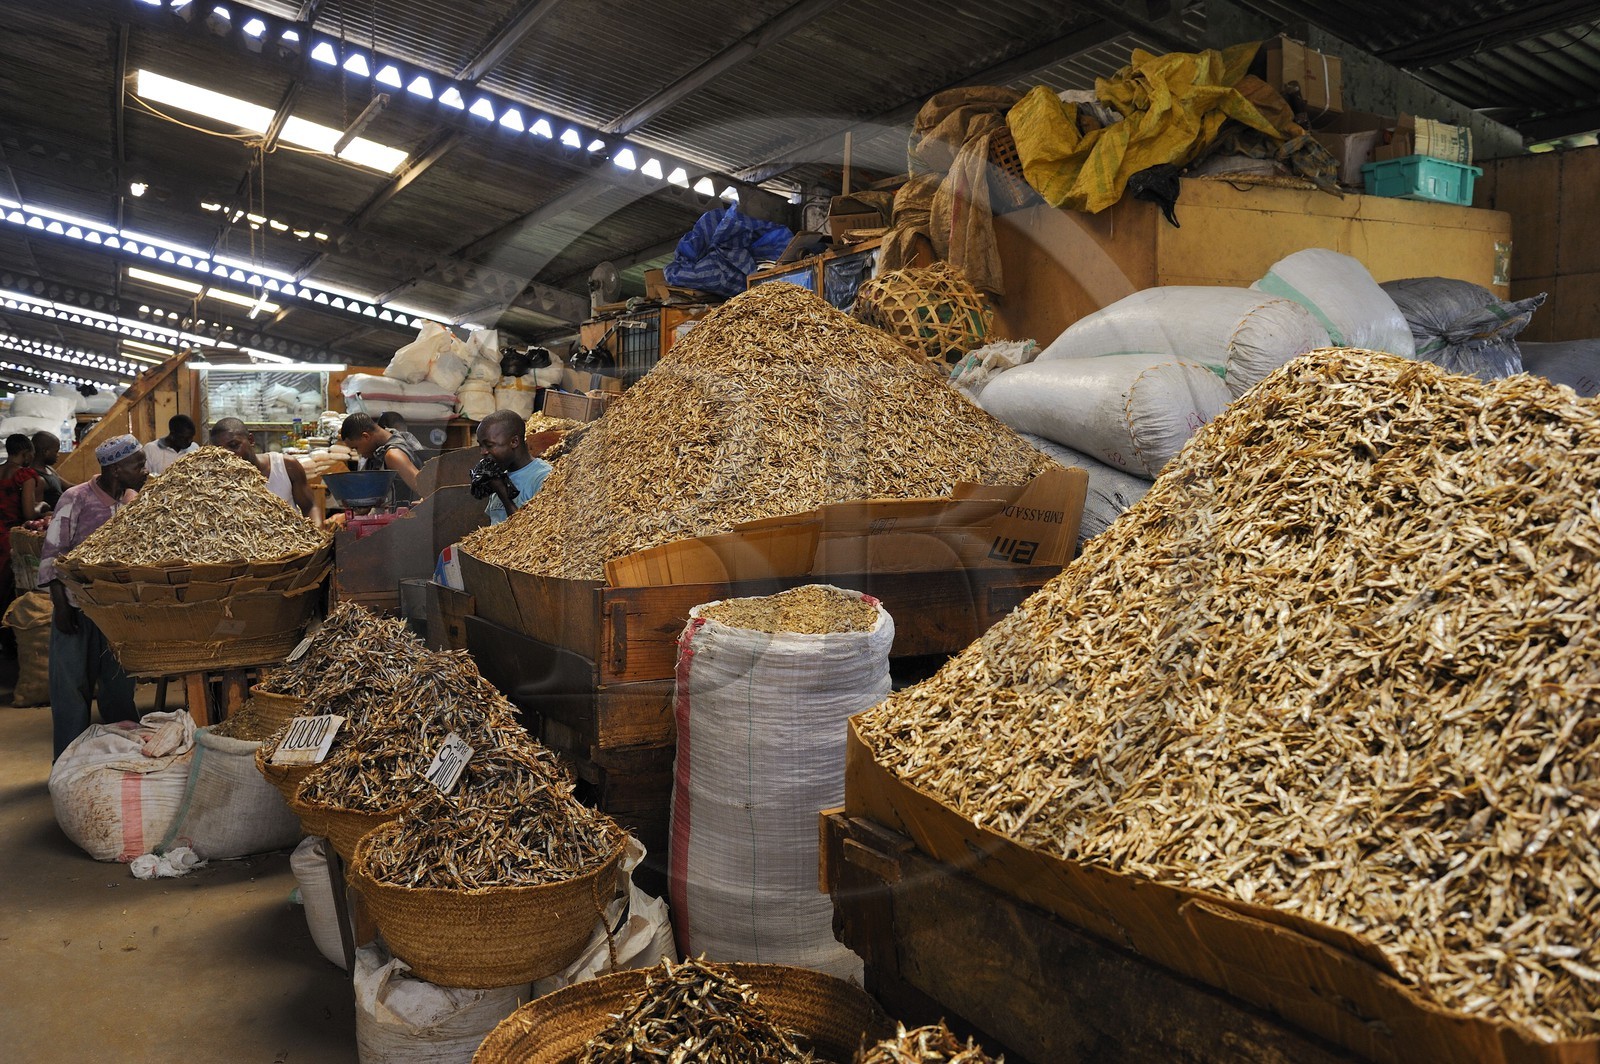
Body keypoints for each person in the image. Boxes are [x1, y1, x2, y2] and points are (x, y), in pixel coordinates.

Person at [38, 435, 147, 759]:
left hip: (117, 614)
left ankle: (119, 759)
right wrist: (61, 607)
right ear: (115, 469)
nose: (144, 469)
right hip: (76, 609)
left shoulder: (133, 501)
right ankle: (68, 763)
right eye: (137, 464)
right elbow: (53, 555)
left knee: (119, 690)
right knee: (71, 690)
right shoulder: (77, 498)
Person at [209, 417, 317, 519]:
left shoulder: (285, 466)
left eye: (234, 445)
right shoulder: (219, 481)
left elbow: (310, 506)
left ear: (251, 440)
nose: (230, 454)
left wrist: (317, 536)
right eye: (222, 452)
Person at [475, 410, 552, 525]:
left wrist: (504, 495)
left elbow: (533, 535)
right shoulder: (497, 476)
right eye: (481, 446)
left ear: (514, 442)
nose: (483, 452)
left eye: (489, 445)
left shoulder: (544, 478)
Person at [339, 412, 421, 501]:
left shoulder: (393, 455)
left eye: (356, 448)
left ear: (366, 436)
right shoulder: (382, 451)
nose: (359, 453)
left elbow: (426, 489)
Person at [0, 434, 42, 607]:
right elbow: (29, 514)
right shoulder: (24, 475)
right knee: (9, 590)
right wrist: (43, 506)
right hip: (9, 538)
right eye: (31, 454)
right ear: (25, 453)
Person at [31, 431, 65, 512]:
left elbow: (68, 486)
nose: (58, 455)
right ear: (45, 451)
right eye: (56, 451)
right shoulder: (36, 478)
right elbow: (38, 512)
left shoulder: (49, 469)